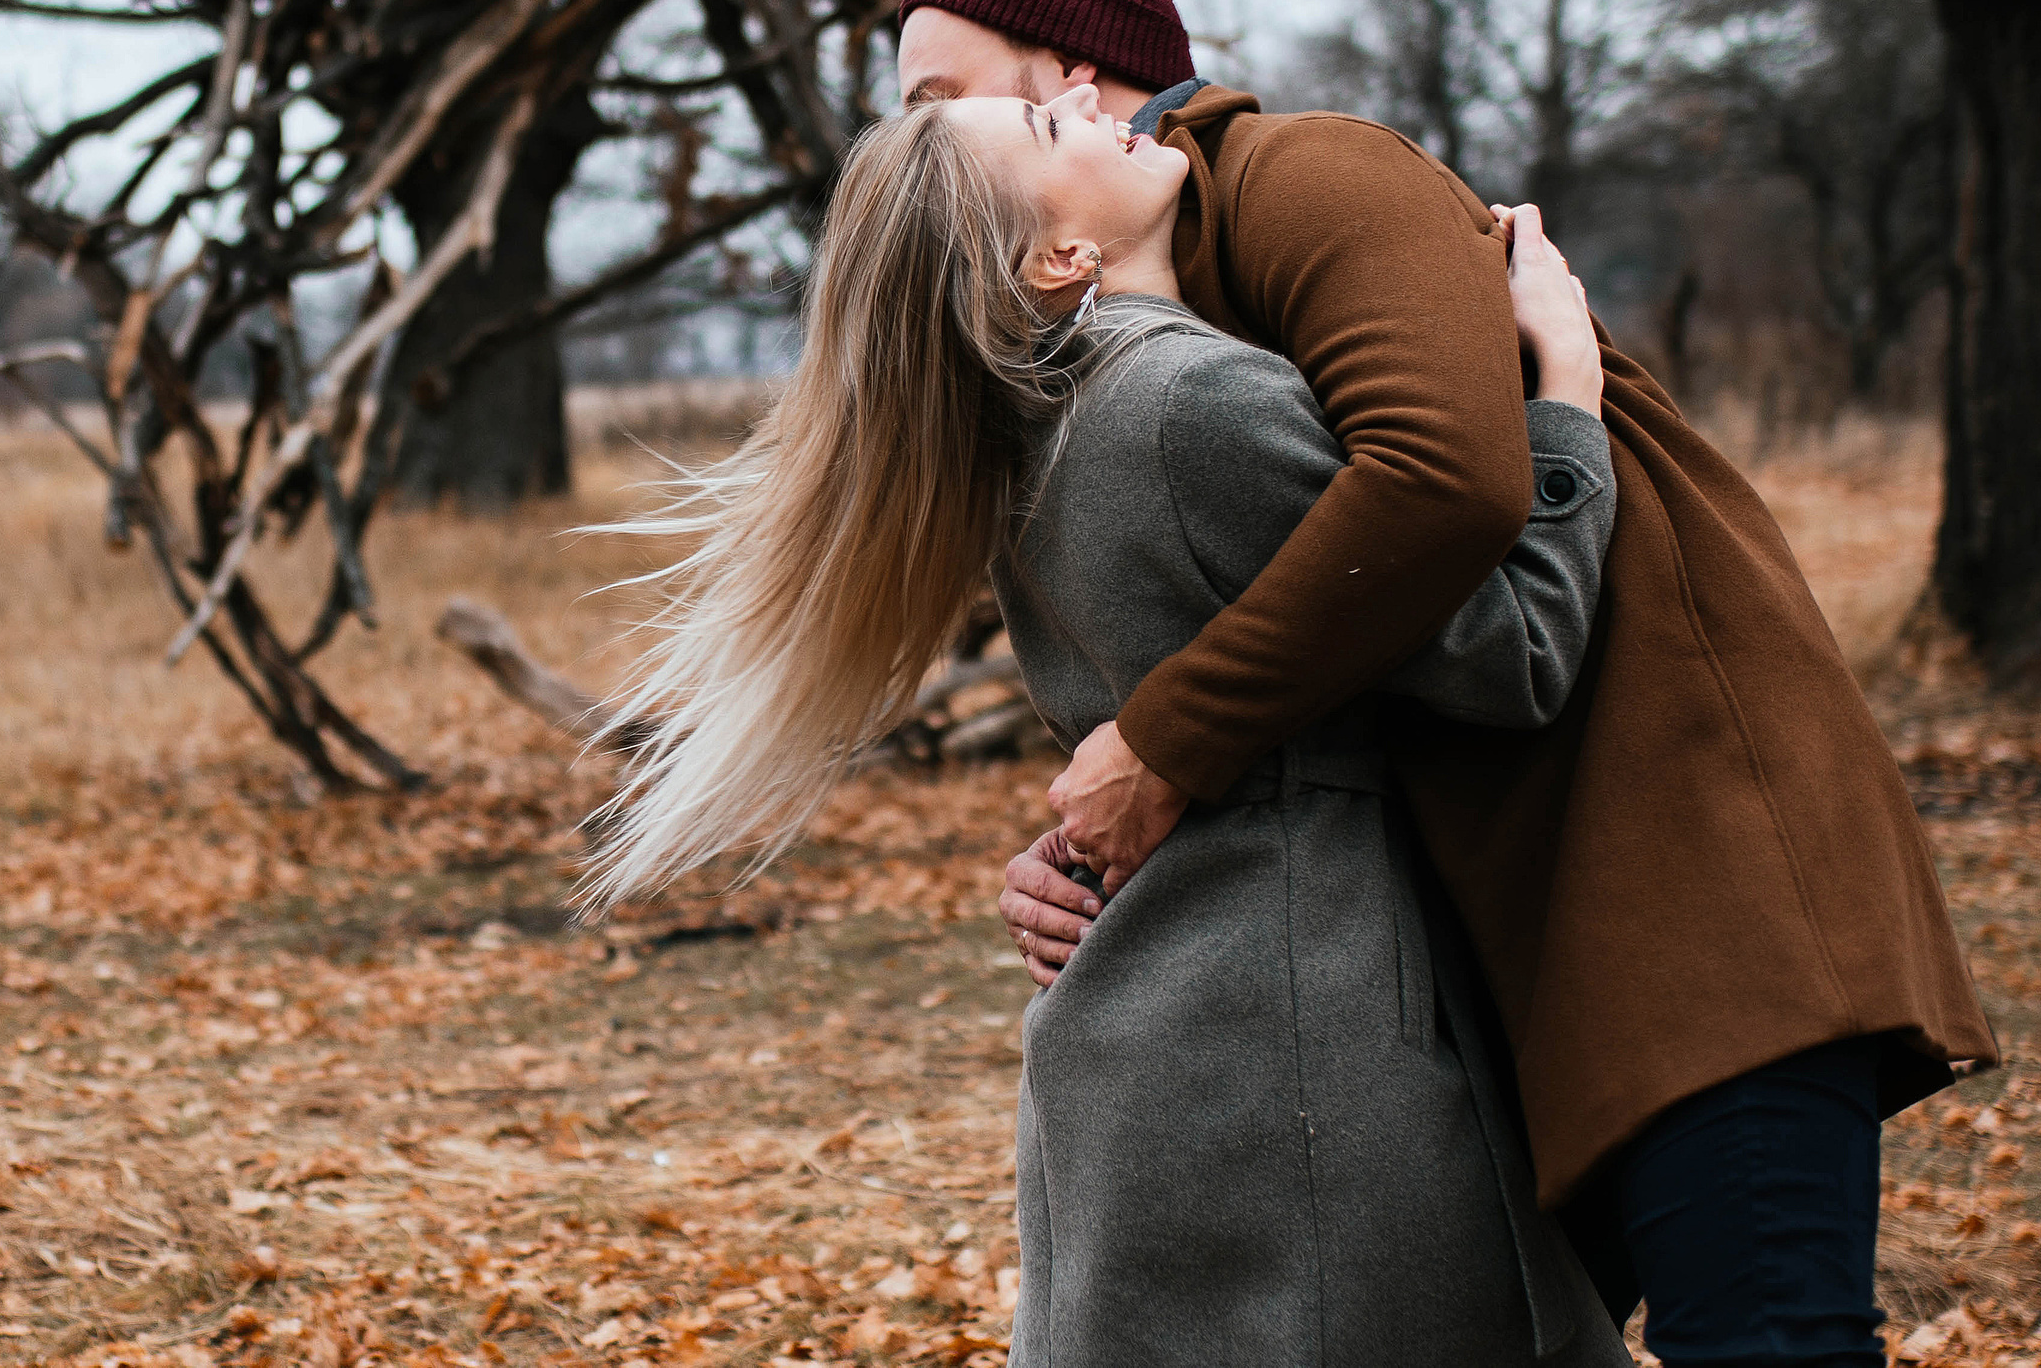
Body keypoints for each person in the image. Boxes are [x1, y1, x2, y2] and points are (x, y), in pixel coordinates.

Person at [898, 0, 2002, 1367]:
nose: (909, 143)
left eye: (942, 100)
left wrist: (1168, 739)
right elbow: (1326, 627)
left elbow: (1441, 481)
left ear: (1080, 81)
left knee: (1773, 1337)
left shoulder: (1303, 176)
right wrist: (1081, 843)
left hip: (1691, 852)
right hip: (1509, 911)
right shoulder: (1159, 331)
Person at [586, 86, 1631, 1366]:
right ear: (1058, 257)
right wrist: (1567, 398)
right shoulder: (1194, 406)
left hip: (1153, 1012)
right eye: (1043, 128)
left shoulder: (1037, 434)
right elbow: (1519, 651)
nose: (1085, 102)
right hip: (1302, 1029)